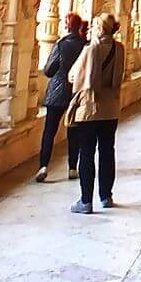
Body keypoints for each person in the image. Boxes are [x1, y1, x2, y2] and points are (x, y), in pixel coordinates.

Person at [67, 13, 125, 215]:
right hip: (111, 109)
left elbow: (74, 76)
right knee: (108, 151)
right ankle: (106, 195)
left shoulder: (91, 49)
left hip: (91, 110)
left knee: (87, 154)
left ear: (99, 28)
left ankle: (86, 200)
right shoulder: (119, 49)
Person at [35, 11, 87, 182]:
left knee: (49, 131)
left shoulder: (61, 44)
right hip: (76, 91)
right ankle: (73, 167)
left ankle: (43, 166)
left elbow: (49, 70)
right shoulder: (85, 46)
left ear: (67, 26)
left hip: (57, 90)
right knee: (74, 130)